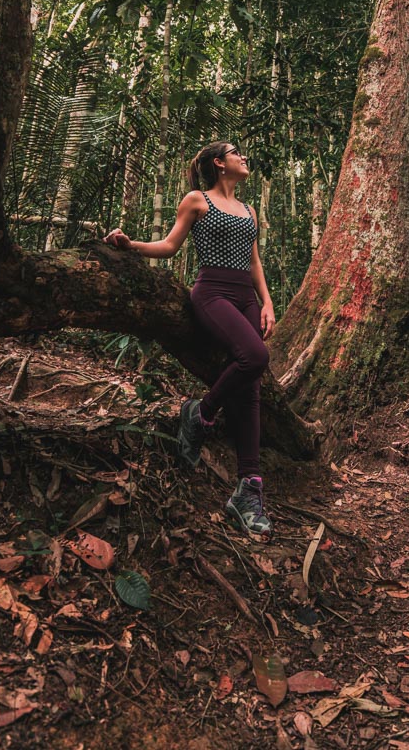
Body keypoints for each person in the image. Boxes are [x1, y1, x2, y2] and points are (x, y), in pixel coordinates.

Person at [104, 141, 275, 539]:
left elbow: (253, 261)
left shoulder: (249, 211)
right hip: (212, 292)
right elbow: (169, 245)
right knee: (254, 355)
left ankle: (248, 489)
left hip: (246, 297)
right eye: (237, 153)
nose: (244, 157)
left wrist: (267, 302)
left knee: (251, 387)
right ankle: (201, 413)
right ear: (219, 162)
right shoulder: (198, 200)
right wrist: (131, 246)